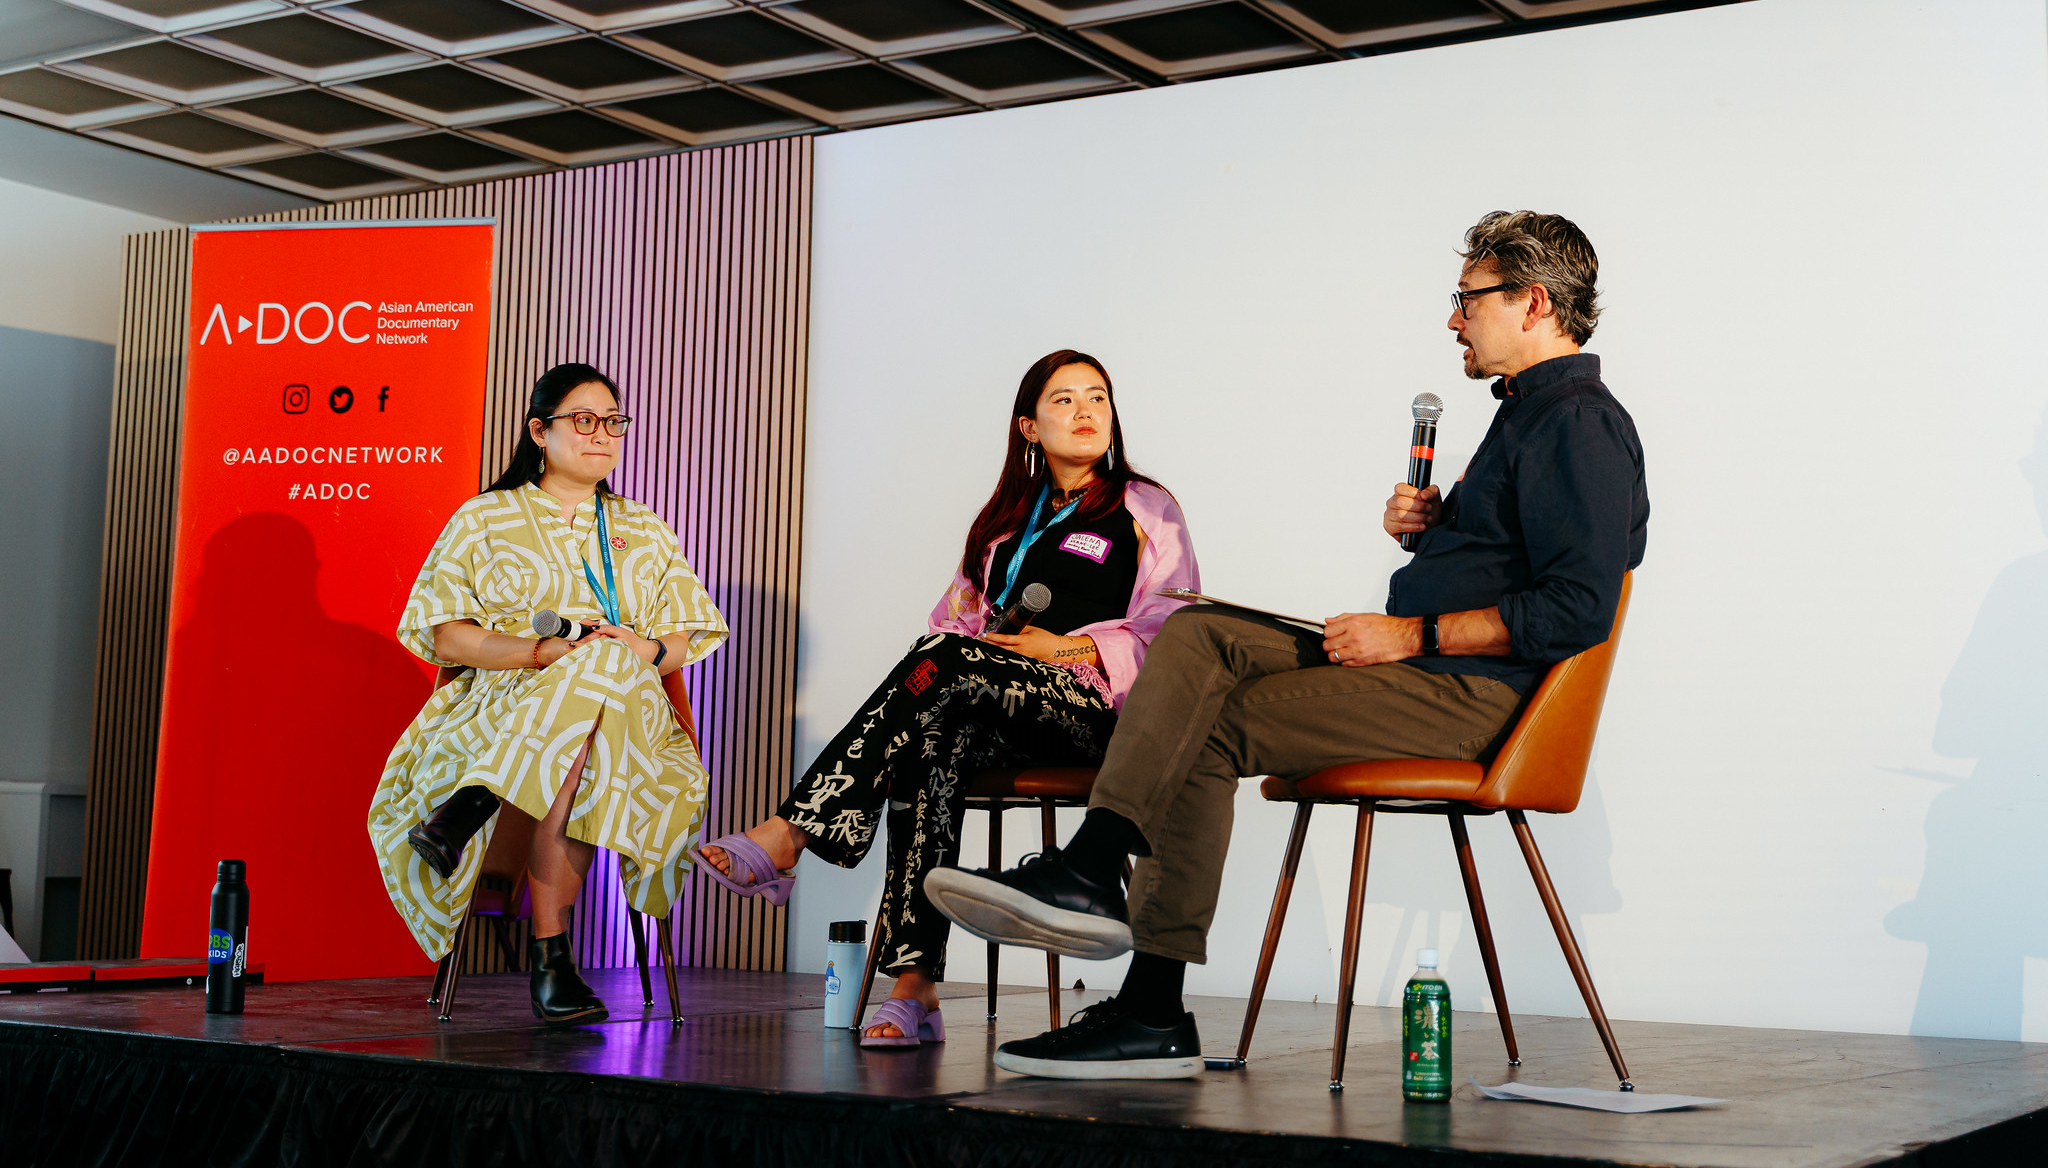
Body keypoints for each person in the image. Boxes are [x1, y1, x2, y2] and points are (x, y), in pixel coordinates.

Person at [927, 211, 1650, 1079]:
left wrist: (1408, 631)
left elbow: (1576, 607)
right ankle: (1094, 877)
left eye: (1468, 299)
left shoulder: (1580, 422)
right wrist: (1437, 533)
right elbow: (1513, 565)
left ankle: (1143, 990)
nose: (1453, 319)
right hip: (1429, 668)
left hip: (1473, 698)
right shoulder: (1526, 418)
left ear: (1533, 302)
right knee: (1197, 631)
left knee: (1207, 723)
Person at [694, 350, 1199, 1049]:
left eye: (1097, 397)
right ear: (1028, 426)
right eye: (1064, 400)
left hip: (1095, 710)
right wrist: (983, 655)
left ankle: (793, 831)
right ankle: (916, 985)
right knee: (931, 735)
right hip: (996, 702)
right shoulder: (1002, 523)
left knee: (943, 672)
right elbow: (952, 626)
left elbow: (1174, 628)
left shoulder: (1146, 507)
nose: (1086, 412)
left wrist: (1069, 648)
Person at [367, 362, 728, 1027]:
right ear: (539, 430)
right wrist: (538, 652)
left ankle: (471, 804)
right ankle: (551, 956)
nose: (603, 435)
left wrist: (639, 647)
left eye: (613, 422)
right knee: (585, 723)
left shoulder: (643, 527)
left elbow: (679, 640)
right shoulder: (484, 517)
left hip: (631, 714)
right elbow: (447, 634)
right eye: (584, 420)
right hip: (503, 706)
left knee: (604, 663)